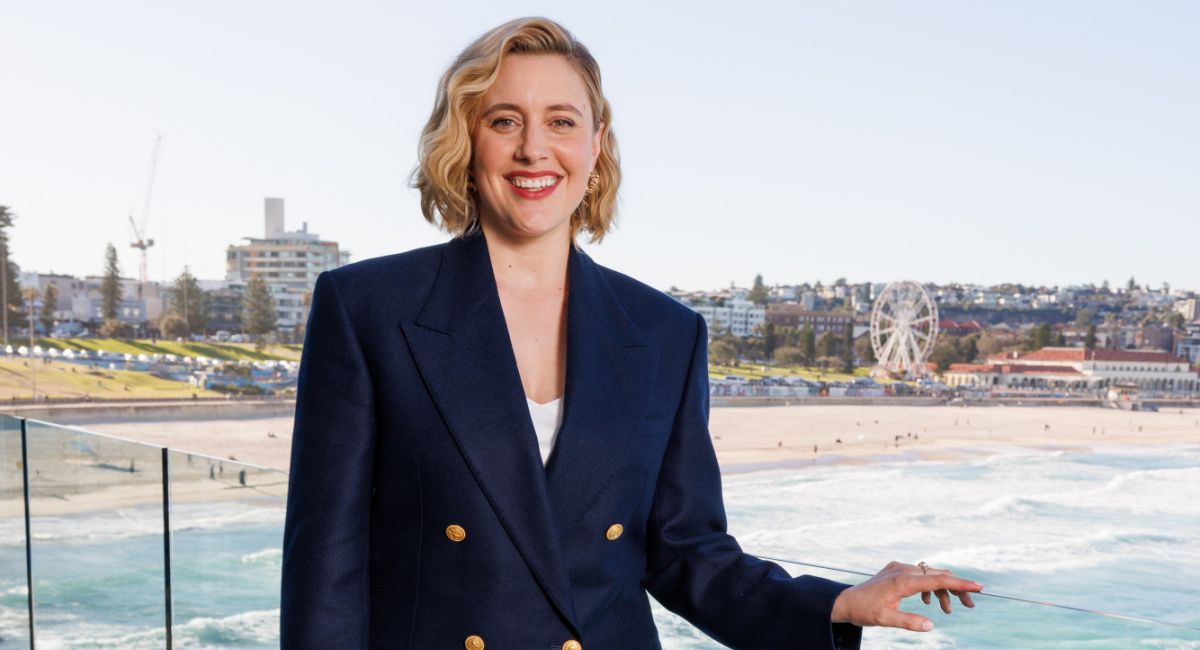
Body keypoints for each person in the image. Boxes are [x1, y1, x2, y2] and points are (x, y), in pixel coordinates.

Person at [280, 17, 981, 649]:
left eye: (560, 121)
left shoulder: (665, 334)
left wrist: (837, 603)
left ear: (596, 144)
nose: (534, 150)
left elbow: (685, 554)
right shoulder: (366, 307)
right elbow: (325, 571)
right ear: (466, 140)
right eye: (503, 120)